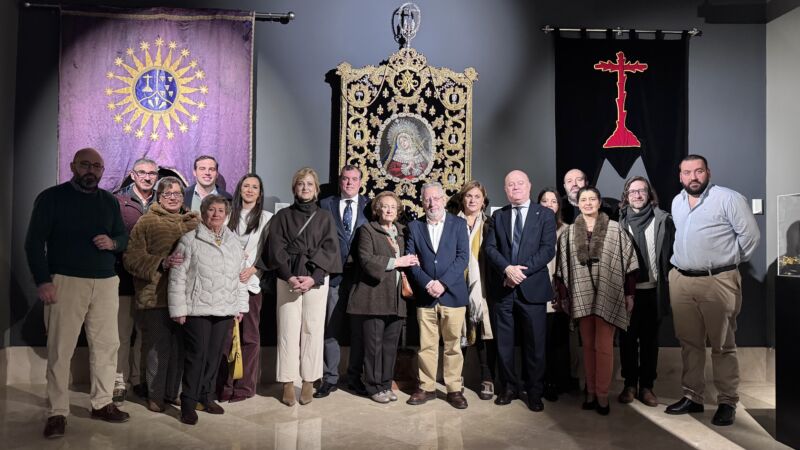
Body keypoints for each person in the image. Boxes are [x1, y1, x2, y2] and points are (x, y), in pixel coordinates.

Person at [25, 148, 130, 439]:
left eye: (97, 166)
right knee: (61, 350)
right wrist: (43, 281)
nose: (91, 171)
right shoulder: (51, 198)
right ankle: (57, 412)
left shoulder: (109, 201)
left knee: (107, 346)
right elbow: (34, 242)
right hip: (66, 281)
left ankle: (103, 403)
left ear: (102, 171)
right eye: (85, 165)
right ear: (73, 166)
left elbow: (123, 237)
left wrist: (113, 242)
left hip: (106, 282)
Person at [664, 154, 760, 427]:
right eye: (686, 172)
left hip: (717, 280)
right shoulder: (677, 201)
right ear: (680, 176)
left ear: (708, 172)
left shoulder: (728, 198)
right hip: (682, 280)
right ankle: (692, 396)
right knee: (689, 342)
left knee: (722, 344)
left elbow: (751, 237)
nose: (693, 177)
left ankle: (727, 401)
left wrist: (726, 263)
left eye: (698, 171)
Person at [554, 186, 638, 416]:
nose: (588, 203)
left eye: (592, 199)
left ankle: (602, 394)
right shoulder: (570, 232)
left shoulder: (615, 229)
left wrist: (629, 294)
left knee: (604, 346)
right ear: (578, 203)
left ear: (600, 202)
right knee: (588, 347)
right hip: (580, 294)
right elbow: (562, 267)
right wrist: (563, 296)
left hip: (608, 294)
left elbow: (629, 264)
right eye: (584, 199)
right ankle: (590, 391)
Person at [168, 194, 249, 425]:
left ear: (227, 215)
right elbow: (177, 276)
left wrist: (240, 306)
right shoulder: (189, 239)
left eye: (220, 211)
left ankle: (206, 396)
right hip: (197, 308)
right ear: (203, 213)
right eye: (211, 210)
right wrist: (178, 309)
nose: (216, 214)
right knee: (197, 356)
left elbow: (240, 277)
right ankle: (188, 403)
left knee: (214, 356)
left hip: (224, 308)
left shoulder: (234, 242)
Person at [123, 176, 199, 413]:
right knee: (157, 347)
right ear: (159, 196)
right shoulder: (147, 221)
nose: (173, 198)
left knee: (180, 348)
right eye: (168, 194)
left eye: (177, 194)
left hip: (186, 298)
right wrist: (161, 263)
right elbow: (131, 258)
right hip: (155, 297)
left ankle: (173, 393)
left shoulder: (193, 222)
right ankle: (155, 395)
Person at [266, 168, 341, 406]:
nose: (305, 188)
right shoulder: (282, 216)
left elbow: (330, 249)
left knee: (313, 330)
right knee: (287, 331)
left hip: (315, 280)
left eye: (309, 184)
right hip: (287, 278)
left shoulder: (325, 217)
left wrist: (314, 277)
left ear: (316, 189)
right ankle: (288, 382)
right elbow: (275, 248)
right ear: (294, 188)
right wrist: (288, 276)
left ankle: (309, 380)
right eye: (301, 184)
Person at [484, 171, 556, 412]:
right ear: (505, 190)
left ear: (529, 186)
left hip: (532, 289)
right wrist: (507, 269)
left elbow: (547, 249)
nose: (515, 187)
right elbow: (490, 248)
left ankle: (534, 392)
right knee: (504, 343)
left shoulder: (544, 214)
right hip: (504, 289)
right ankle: (508, 388)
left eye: (520, 183)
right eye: (510, 184)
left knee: (535, 345)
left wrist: (520, 273)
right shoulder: (498, 215)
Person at [348, 191, 419, 403]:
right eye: (385, 206)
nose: (389, 210)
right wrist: (397, 262)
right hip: (373, 298)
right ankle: (373, 386)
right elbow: (366, 260)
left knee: (390, 347)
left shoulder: (403, 231)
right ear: (377, 210)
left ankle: (386, 385)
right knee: (374, 346)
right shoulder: (367, 230)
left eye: (393, 207)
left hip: (398, 299)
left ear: (398, 211)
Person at [405, 182, 470, 409]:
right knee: (426, 345)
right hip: (426, 297)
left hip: (453, 295)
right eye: (427, 199)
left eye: (436, 198)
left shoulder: (459, 224)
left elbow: (463, 257)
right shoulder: (414, 227)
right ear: (422, 203)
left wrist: (442, 283)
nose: (432, 203)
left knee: (453, 345)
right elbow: (411, 261)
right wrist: (427, 283)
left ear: (443, 199)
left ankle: (454, 389)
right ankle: (427, 387)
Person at [617, 176, 675, 407]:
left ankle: (647, 387)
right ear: (626, 196)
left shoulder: (663, 220)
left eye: (642, 191)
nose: (637, 195)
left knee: (650, 342)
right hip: (627, 293)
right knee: (627, 340)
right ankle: (630, 384)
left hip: (653, 291)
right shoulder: (618, 222)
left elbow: (671, 254)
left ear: (649, 194)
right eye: (633, 191)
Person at [216, 174, 273, 402]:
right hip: (226, 284)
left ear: (260, 193)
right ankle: (224, 385)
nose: (250, 190)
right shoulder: (227, 215)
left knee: (249, 337)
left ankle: (245, 387)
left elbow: (270, 251)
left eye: (254, 187)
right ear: (239, 189)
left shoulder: (268, 218)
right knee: (225, 337)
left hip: (251, 284)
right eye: (246, 186)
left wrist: (254, 269)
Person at [316, 165, 370, 398]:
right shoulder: (325, 204)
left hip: (361, 278)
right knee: (331, 328)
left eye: (354, 179)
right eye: (346, 179)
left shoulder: (370, 206)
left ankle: (355, 377)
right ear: (340, 181)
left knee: (359, 330)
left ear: (360, 182)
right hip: (334, 277)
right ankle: (330, 378)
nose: (349, 183)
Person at [113, 157, 158, 405]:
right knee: (121, 334)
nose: (147, 177)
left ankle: (139, 379)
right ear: (133, 175)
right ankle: (119, 382)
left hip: (151, 282)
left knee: (145, 333)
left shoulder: (162, 200)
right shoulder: (118, 201)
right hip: (123, 279)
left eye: (152, 173)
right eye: (142, 172)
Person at [453, 180, 496, 401]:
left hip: (483, 287)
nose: (472, 200)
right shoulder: (451, 223)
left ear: (483, 201)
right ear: (462, 199)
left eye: (477, 196)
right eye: (468, 196)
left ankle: (487, 377)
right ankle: (455, 378)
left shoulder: (490, 224)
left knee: (483, 331)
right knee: (457, 331)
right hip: (456, 284)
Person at [537, 187, 572, 402]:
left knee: (558, 340)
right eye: (544, 201)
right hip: (537, 293)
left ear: (559, 206)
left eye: (553, 201)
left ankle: (557, 381)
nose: (549, 205)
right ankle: (540, 381)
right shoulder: (532, 229)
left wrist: (563, 292)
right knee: (539, 341)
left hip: (560, 293)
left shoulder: (567, 230)